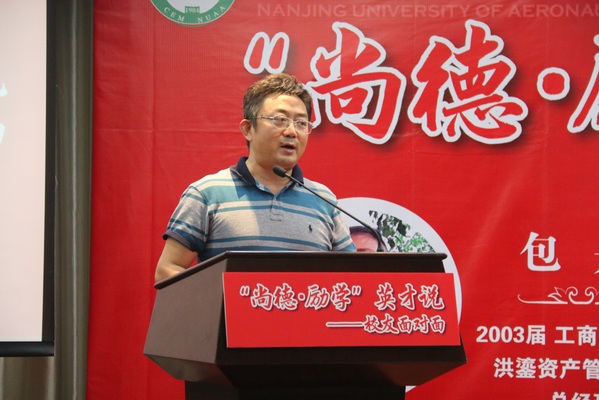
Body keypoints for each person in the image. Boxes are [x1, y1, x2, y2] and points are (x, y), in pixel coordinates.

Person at [155, 73, 356, 282]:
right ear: (248, 129)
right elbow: (168, 269)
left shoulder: (324, 200)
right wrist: (223, 296)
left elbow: (354, 275)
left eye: (301, 123)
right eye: (280, 120)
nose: (291, 131)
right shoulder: (207, 193)